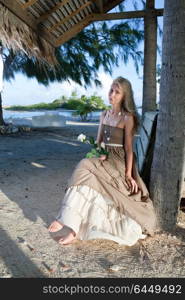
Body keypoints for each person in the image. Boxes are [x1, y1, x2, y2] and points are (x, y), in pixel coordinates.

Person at [48, 76, 157, 246]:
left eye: (117, 92)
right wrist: (100, 152)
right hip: (105, 157)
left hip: (119, 161)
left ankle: (68, 224)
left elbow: (129, 149)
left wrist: (129, 175)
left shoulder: (128, 118)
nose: (112, 94)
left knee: (85, 166)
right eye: (111, 90)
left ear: (124, 96)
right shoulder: (104, 115)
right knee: (85, 171)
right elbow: (99, 141)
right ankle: (72, 228)